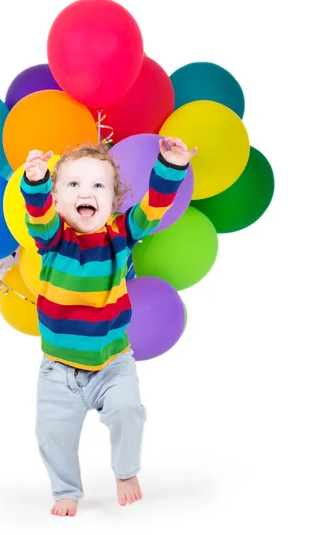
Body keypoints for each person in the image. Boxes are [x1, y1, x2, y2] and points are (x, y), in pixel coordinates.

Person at [20, 137, 197, 517]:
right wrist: (34, 182)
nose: (86, 192)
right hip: (59, 369)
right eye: (73, 185)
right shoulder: (53, 239)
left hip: (113, 361)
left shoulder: (120, 235)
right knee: (52, 434)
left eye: (98, 185)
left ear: (114, 201)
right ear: (57, 199)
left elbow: (153, 208)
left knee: (128, 410)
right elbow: (37, 213)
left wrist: (171, 166)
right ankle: (66, 488)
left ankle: (126, 472)